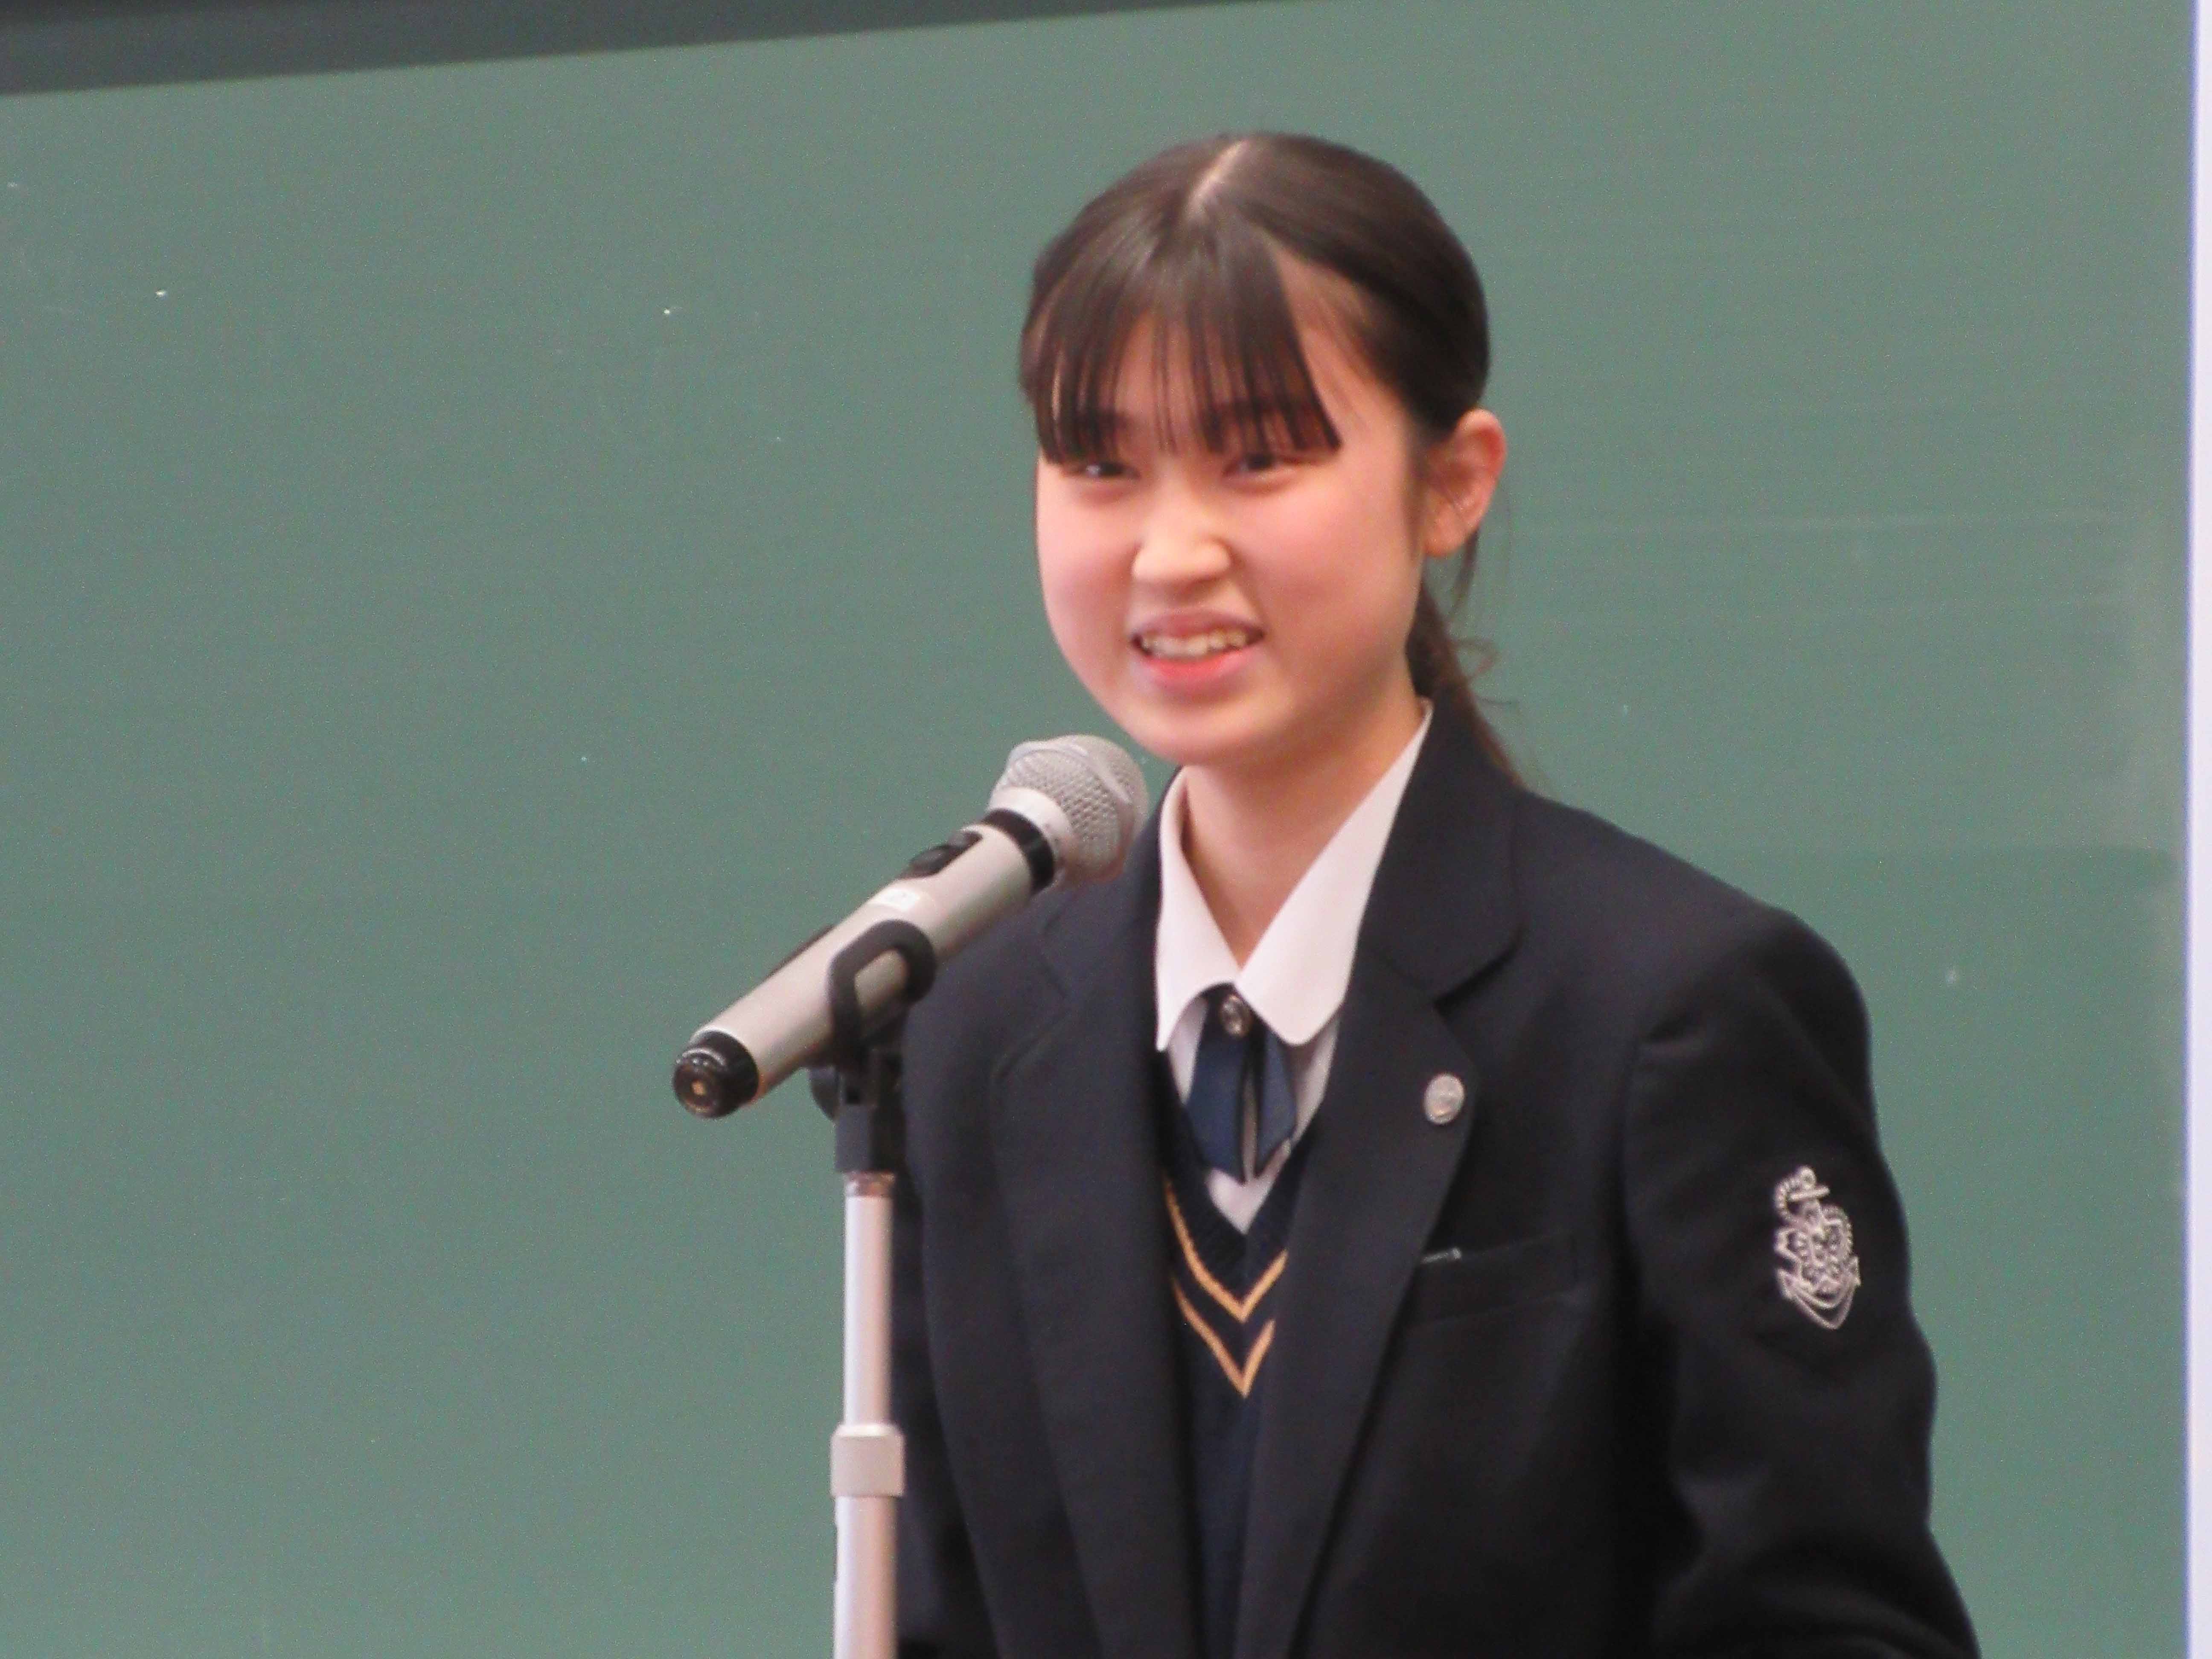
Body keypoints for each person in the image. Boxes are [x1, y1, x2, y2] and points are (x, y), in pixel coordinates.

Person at [891, 132, 1978, 1659]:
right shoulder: (982, 1034)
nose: (1171, 550)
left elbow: (1824, 1623)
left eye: (1262, 456)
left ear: (1452, 484)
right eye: (1100, 466)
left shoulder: (1673, 1006)